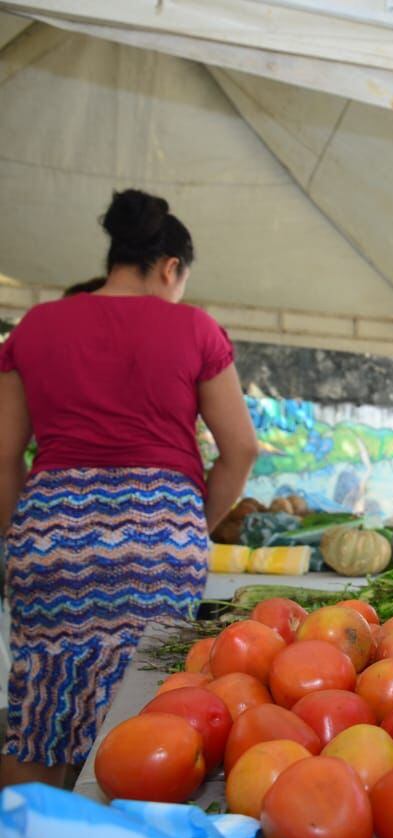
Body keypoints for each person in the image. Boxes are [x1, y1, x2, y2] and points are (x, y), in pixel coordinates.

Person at [0, 189, 258, 786]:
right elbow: (240, 448)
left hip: (52, 529)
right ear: (171, 268)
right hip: (157, 533)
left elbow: (5, 451)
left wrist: (23, 534)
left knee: (40, 704)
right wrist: (191, 521)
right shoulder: (195, 327)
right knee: (146, 705)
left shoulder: (38, 324)